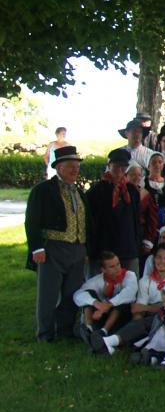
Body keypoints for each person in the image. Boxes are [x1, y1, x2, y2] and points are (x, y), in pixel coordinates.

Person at [26, 145, 91, 342]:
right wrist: (37, 247)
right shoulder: (43, 190)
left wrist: (86, 248)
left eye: (77, 166)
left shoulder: (79, 192)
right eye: (71, 166)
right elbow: (32, 221)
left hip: (77, 248)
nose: (75, 170)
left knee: (72, 292)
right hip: (53, 247)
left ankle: (65, 328)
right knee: (48, 293)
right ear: (59, 168)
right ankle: (45, 333)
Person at [86, 148, 145, 276]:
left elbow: (136, 219)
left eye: (123, 167)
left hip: (128, 247)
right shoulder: (96, 190)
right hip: (104, 248)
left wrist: (137, 243)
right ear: (109, 166)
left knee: (130, 283)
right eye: (116, 166)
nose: (119, 170)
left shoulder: (132, 191)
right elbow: (90, 221)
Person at [72, 252, 138, 345]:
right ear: (103, 269)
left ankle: (103, 331)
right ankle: (89, 328)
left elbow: (129, 293)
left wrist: (107, 305)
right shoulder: (97, 280)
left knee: (121, 302)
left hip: (121, 316)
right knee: (88, 294)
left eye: (118, 264)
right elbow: (77, 295)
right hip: (100, 315)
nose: (117, 268)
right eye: (112, 267)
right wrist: (96, 303)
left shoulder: (129, 275)